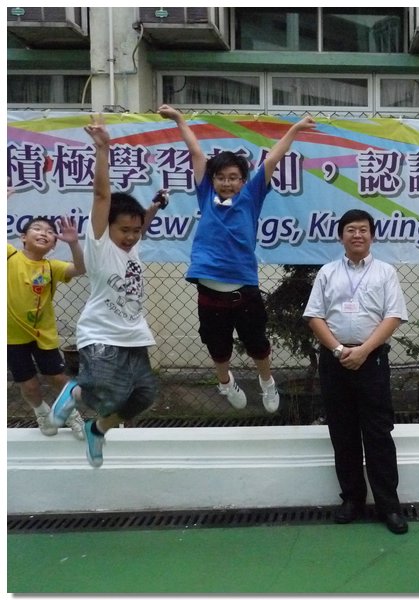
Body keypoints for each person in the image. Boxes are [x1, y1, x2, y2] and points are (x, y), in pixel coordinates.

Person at [158, 105, 316, 413]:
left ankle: (267, 382)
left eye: (234, 177)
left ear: (244, 181)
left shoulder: (251, 196)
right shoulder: (205, 194)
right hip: (208, 288)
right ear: (212, 180)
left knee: (257, 343)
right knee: (217, 347)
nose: (227, 183)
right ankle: (225, 382)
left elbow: (273, 158)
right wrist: (178, 119)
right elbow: (196, 152)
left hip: (244, 286)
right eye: (221, 177)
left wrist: (295, 129)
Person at [48, 114, 167, 468]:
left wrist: (153, 208)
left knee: (142, 397)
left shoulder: (133, 247)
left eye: (135, 231)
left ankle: (97, 429)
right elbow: (102, 195)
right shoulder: (101, 245)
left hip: (133, 336)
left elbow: (141, 224)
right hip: (100, 334)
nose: (131, 236)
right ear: (107, 227)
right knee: (107, 391)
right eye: (124, 230)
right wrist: (103, 149)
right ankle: (75, 392)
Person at [303, 209, 409, 535]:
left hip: (371, 360)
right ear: (341, 236)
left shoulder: (385, 272)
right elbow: (315, 316)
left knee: (378, 434)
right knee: (343, 432)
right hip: (334, 361)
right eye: (351, 230)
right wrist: (338, 350)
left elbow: (393, 316)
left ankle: (389, 506)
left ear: (372, 236)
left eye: (363, 230)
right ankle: (352, 500)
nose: (357, 235)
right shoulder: (327, 273)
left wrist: (363, 351)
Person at [7, 213, 86, 440]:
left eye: (50, 232)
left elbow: (80, 269)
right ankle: (41, 413)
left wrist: (73, 243)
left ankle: (72, 415)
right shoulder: (10, 256)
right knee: (29, 385)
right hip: (11, 337)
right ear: (23, 237)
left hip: (43, 335)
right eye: (37, 229)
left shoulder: (52, 267)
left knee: (59, 378)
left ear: (53, 245)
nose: (44, 233)